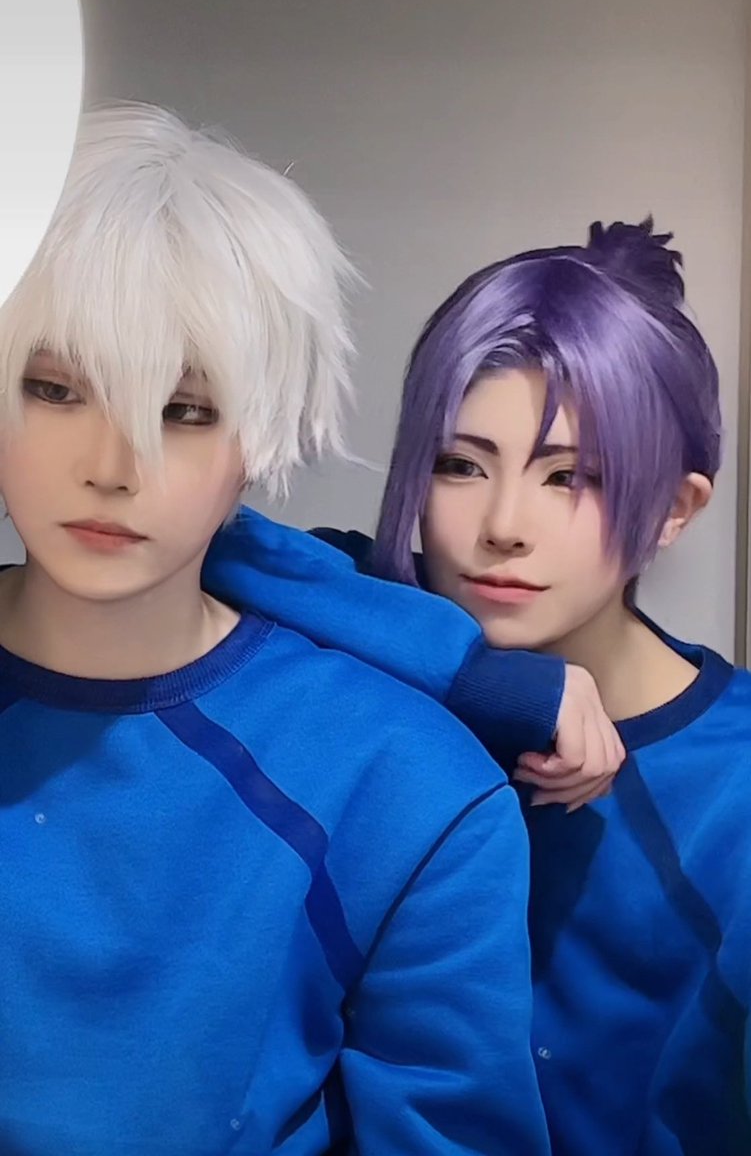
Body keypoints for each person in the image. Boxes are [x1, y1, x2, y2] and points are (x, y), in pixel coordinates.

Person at [0, 102, 552, 1155]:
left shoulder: (407, 788)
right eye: (56, 389)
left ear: (258, 435)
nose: (113, 465)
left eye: (185, 409)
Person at [202, 218, 751, 1153]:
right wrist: (474, 674)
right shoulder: (361, 619)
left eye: (569, 477)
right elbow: (207, 536)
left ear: (673, 508)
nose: (502, 526)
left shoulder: (733, 781)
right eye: (459, 465)